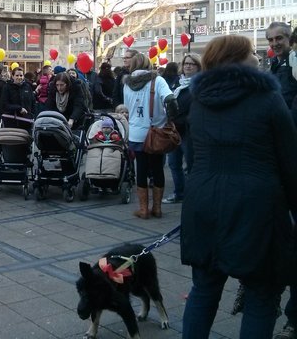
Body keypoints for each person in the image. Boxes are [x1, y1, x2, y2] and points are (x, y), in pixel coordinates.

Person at [181, 35, 297, 339]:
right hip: (257, 206)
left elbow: (192, 158)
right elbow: (290, 161)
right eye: (251, 52)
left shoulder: (198, 100)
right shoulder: (268, 98)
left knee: (203, 289)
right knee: (262, 294)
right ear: (236, 59)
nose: (257, 57)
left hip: (203, 202)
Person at [267, 22, 297, 339]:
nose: (276, 43)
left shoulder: (293, 66)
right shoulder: (274, 67)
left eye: (280, 38)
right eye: (272, 39)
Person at [122, 52, 177, 219]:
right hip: (156, 132)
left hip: (136, 133)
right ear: (148, 64)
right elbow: (170, 99)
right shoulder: (157, 80)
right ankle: (157, 208)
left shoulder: (127, 84)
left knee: (141, 168)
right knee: (157, 168)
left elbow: (127, 108)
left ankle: (143, 209)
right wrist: (171, 118)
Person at [163, 53, 201, 205]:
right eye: (186, 63)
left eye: (192, 64)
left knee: (191, 164)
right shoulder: (177, 84)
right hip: (175, 130)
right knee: (173, 163)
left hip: (189, 131)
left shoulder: (199, 85)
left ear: (198, 66)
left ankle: (194, 194)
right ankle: (179, 192)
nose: (188, 66)